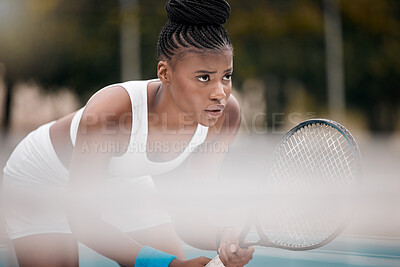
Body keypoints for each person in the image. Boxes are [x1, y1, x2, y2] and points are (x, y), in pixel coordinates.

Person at [2, 0, 255, 266]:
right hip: (43, 180)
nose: (220, 93)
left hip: (122, 179)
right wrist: (166, 265)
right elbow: (85, 222)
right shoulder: (109, 114)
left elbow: (190, 211)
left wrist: (223, 236)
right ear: (165, 73)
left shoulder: (226, 116)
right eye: (204, 77)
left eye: (226, 76)